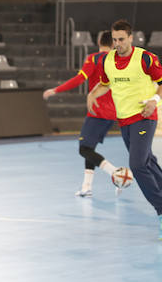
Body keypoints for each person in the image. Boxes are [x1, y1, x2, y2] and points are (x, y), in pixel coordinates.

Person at [87, 20, 162, 241]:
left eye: (121, 39)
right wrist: (92, 93)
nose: (117, 44)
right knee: (150, 165)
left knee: (137, 165)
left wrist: (154, 100)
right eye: (114, 40)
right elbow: (106, 83)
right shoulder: (108, 61)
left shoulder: (145, 58)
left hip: (144, 117)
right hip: (124, 121)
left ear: (131, 38)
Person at [43, 30, 123, 197]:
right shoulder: (118, 60)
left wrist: (55, 90)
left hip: (97, 111)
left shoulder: (93, 59)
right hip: (113, 113)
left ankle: (115, 173)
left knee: (84, 149)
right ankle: (86, 187)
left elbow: (79, 79)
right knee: (89, 147)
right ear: (113, 43)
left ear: (99, 42)